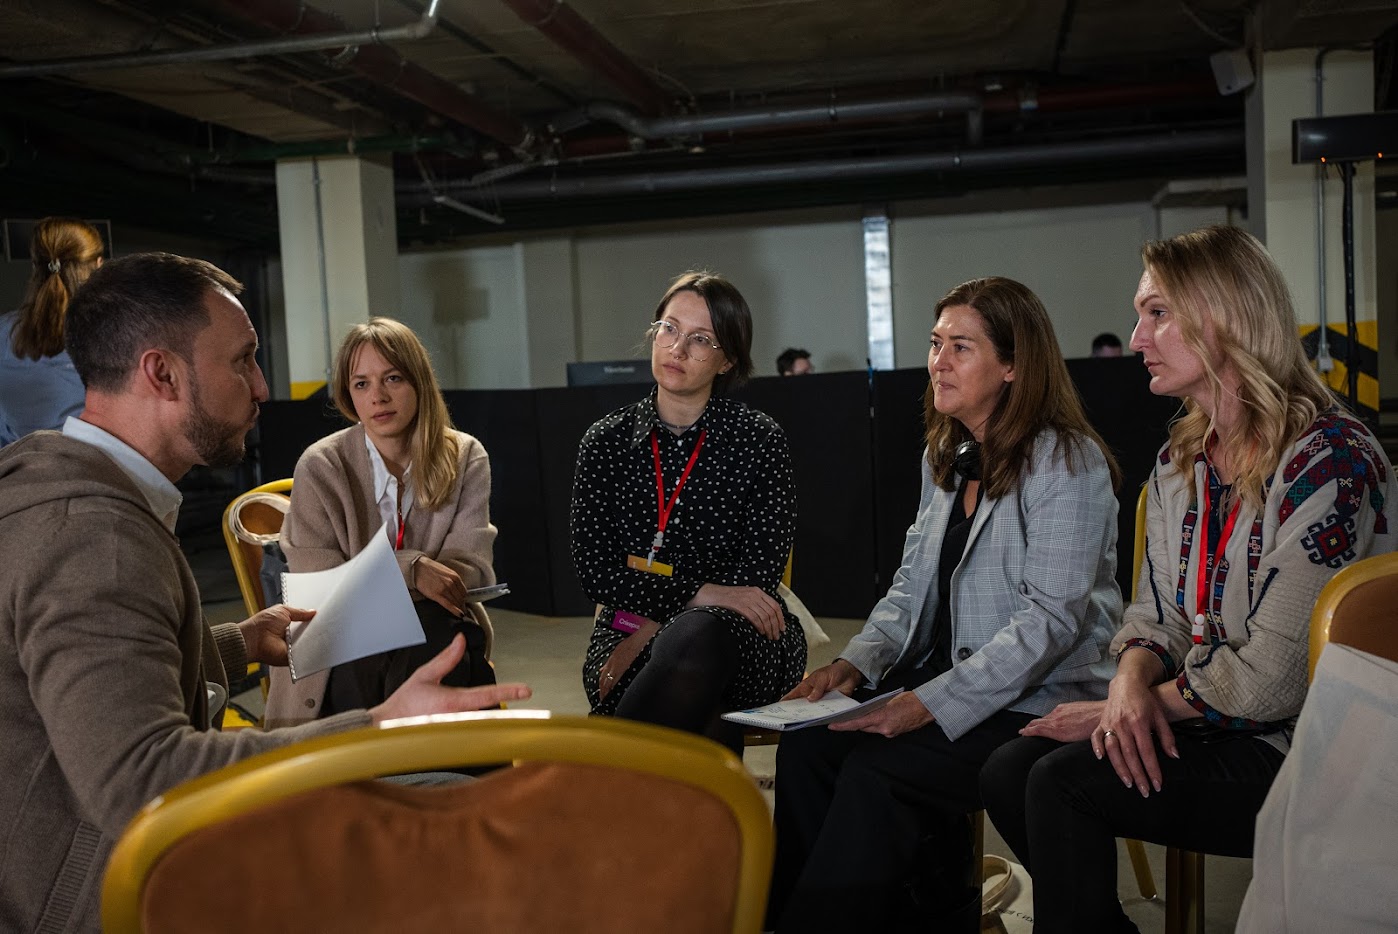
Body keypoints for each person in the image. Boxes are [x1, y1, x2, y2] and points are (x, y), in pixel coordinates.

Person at [0, 253, 529, 934]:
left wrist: (238, 643)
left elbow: (89, 678)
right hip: (91, 896)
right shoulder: (95, 538)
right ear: (162, 374)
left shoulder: (66, 489)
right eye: (243, 360)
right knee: (459, 828)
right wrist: (375, 729)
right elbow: (144, 775)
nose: (262, 384)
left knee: (448, 799)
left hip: (90, 854)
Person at [979, 225, 1397, 934]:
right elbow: (1155, 617)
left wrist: (1138, 707)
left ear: (1226, 314)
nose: (1137, 337)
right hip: (1213, 722)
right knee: (1009, 768)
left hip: (1312, 751)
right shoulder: (1183, 460)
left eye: (1157, 313)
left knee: (1059, 782)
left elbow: (1276, 681)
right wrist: (1128, 684)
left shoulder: (1330, 460)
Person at [767, 276, 1123, 932]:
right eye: (935, 344)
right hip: (943, 684)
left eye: (961, 347)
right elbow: (908, 589)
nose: (939, 361)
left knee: (878, 775)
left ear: (1013, 365)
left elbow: (1048, 624)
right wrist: (854, 665)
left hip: (1034, 699)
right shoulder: (949, 457)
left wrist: (926, 703)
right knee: (808, 749)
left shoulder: (1066, 463)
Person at [570, 270, 806, 751]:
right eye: (669, 328)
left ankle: (601, 785)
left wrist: (667, 623)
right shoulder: (605, 442)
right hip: (627, 628)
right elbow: (597, 573)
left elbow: (754, 578)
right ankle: (707, 824)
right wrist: (698, 594)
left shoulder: (758, 440)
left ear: (728, 361)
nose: (677, 348)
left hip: (746, 635)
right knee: (703, 701)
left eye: (701, 340)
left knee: (700, 642)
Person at [266, 317, 498, 726]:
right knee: (419, 646)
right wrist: (413, 569)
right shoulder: (322, 464)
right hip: (338, 641)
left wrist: (380, 584)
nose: (378, 396)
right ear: (348, 394)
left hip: (432, 629)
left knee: (439, 638)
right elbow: (317, 582)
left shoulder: (465, 456)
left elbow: (471, 571)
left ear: (418, 382)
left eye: (393, 378)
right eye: (361, 384)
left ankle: (445, 785)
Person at [0, 217, 104, 445]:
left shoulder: (3, 332)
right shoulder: (118, 334)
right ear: (98, 265)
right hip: (94, 470)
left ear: (34, 265)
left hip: (16, 473)